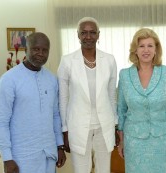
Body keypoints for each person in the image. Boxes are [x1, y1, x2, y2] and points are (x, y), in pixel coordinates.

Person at [0, 32, 66, 173]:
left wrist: (59, 146)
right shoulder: (9, 80)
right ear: (26, 50)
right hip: (22, 156)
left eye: (45, 50)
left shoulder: (52, 80)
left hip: (49, 153)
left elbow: (55, 115)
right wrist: (7, 158)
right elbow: (1, 121)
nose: (40, 53)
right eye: (36, 49)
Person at [57, 17, 117, 173]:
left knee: (104, 169)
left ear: (98, 35)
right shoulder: (67, 61)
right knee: (81, 170)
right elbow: (63, 98)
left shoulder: (109, 60)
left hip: (104, 124)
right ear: (78, 35)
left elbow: (112, 96)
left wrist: (115, 124)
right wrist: (64, 129)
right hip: (77, 125)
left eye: (92, 32)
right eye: (84, 33)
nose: (88, 37)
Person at [117, 28, 166, 173]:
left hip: (164, 140)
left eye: (150, 46)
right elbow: (120, 109)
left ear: (156, 50)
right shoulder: (125, 75)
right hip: (134, 141)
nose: (146, 50)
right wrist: (121, 140)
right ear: (135, 50)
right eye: (141, 46)